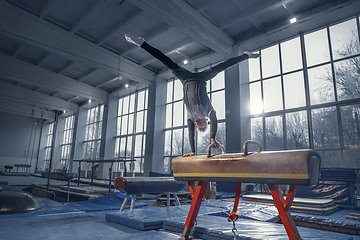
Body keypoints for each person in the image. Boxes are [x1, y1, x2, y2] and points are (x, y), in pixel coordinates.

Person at [125, 34, 260, 157]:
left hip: (185, 79)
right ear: (205, 123)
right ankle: (246, 56)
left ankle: (142, 44)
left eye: (197, 127)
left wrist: (193, 151)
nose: (197, 126)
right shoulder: (207, 112)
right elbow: (215, 118)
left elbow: (190, 134)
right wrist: (213, 137)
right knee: (223, 66)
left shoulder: (191, 117)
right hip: (202, 78)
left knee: (166, 61)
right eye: (200, 127)